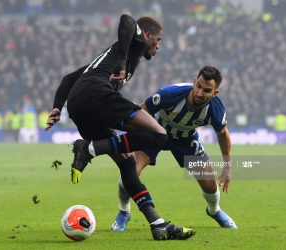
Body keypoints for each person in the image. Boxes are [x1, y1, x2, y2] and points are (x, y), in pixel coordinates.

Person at [45, 14, 194, 240]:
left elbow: (68, 79)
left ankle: (157, 223)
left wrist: (57, 107)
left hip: (79, 106)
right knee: (160, 135)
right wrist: (123, 60)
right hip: (96, 95)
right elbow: (126, 19)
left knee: (127, 162)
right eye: (158, 40)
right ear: (147, 36)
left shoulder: (105, 59)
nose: (158, 46)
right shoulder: (137, 44)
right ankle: (90, 149)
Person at [110, 66, 237, 231]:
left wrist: (227, 166)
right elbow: (140, 112)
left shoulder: (215, 109)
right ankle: (123, 212)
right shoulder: (170, 94)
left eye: (206, 90)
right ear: (194, 82)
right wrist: (133, 139)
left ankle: (214, 210)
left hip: (186, 141)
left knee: (211, 187)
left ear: (215, 93)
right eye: (198, 86)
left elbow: (222, 134)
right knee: (130, 171)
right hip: (154, 133)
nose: (200, 93)